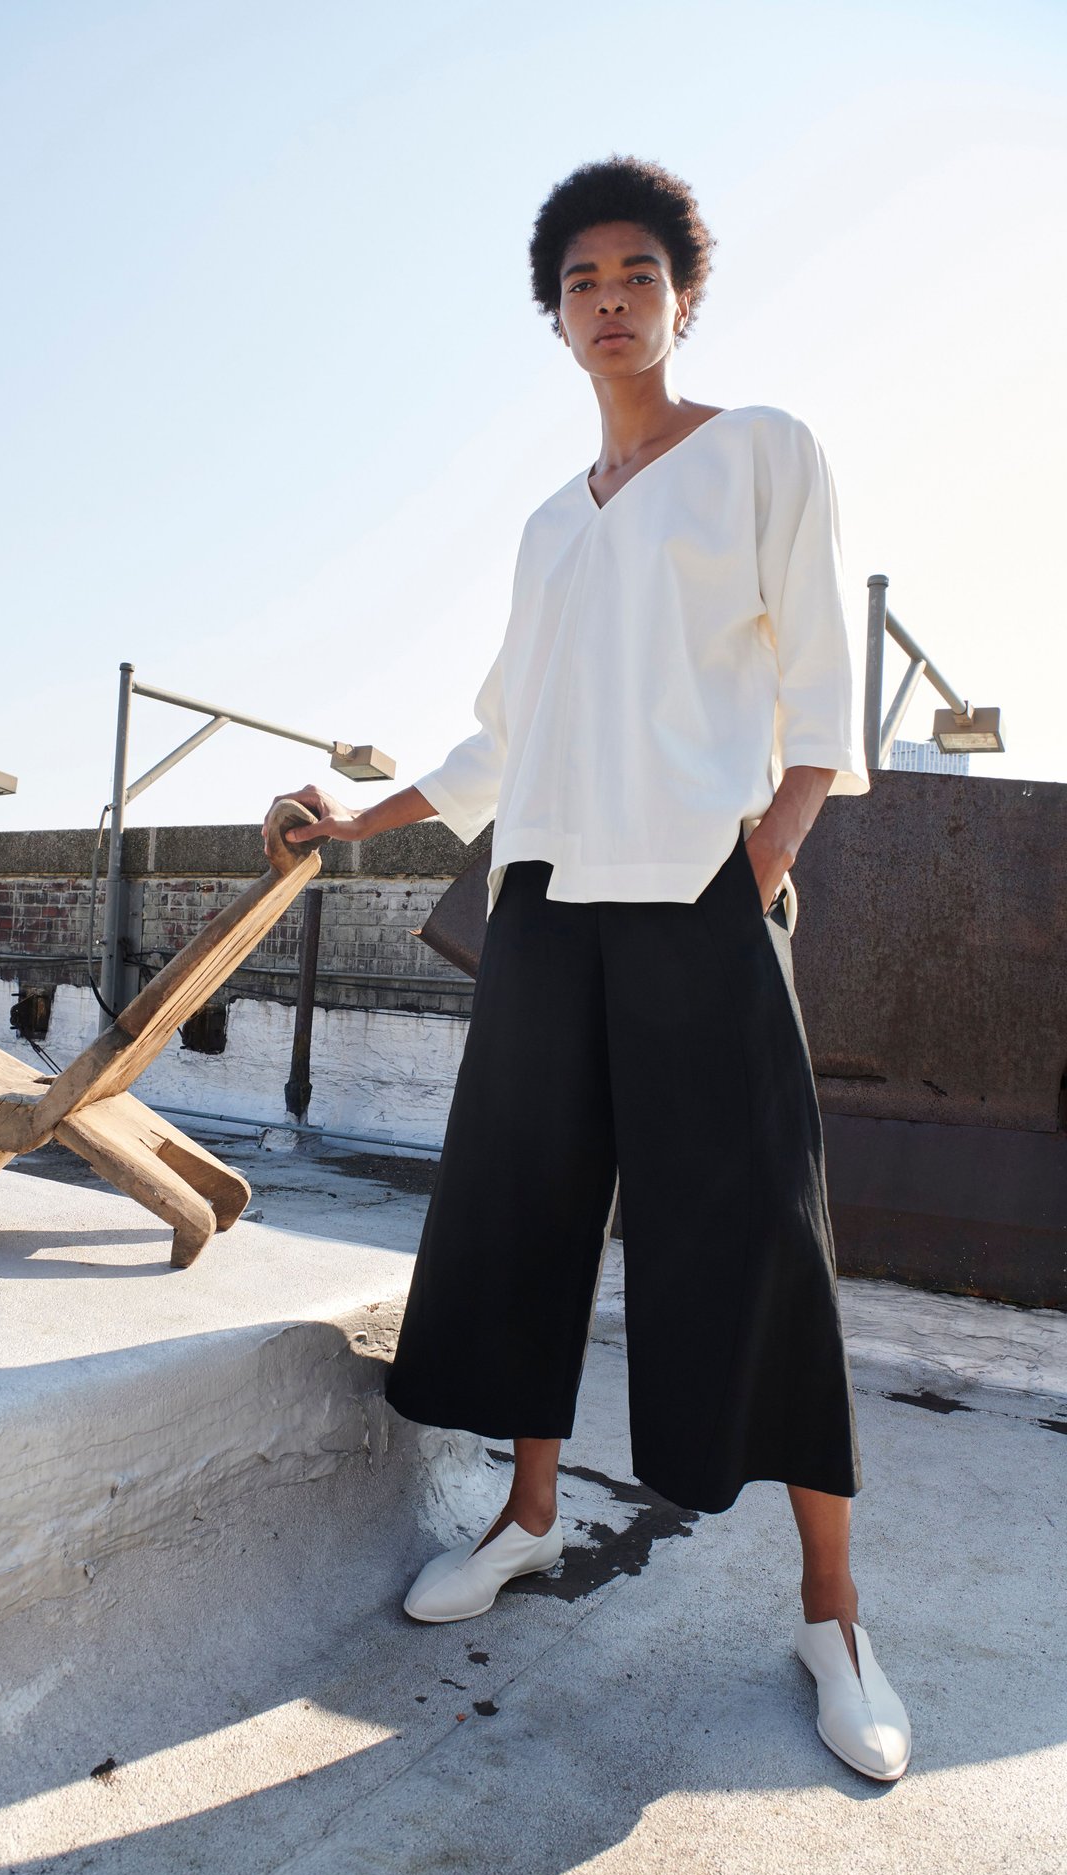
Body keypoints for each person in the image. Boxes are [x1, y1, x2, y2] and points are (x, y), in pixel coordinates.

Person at [263, 156, 910, 1784]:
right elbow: (504, 737)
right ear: (552, 317)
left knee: (762, 1233)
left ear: (684, 298)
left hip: (701, 893)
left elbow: (824, 687)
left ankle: (833, 1611)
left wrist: (762, 860)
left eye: (638, 275)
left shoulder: (762, 449)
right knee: (524, 1212)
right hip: (547, 905)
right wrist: (352, 822)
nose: (610, 301)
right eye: (581, 282)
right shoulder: (552, 526)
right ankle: (530, 1516)